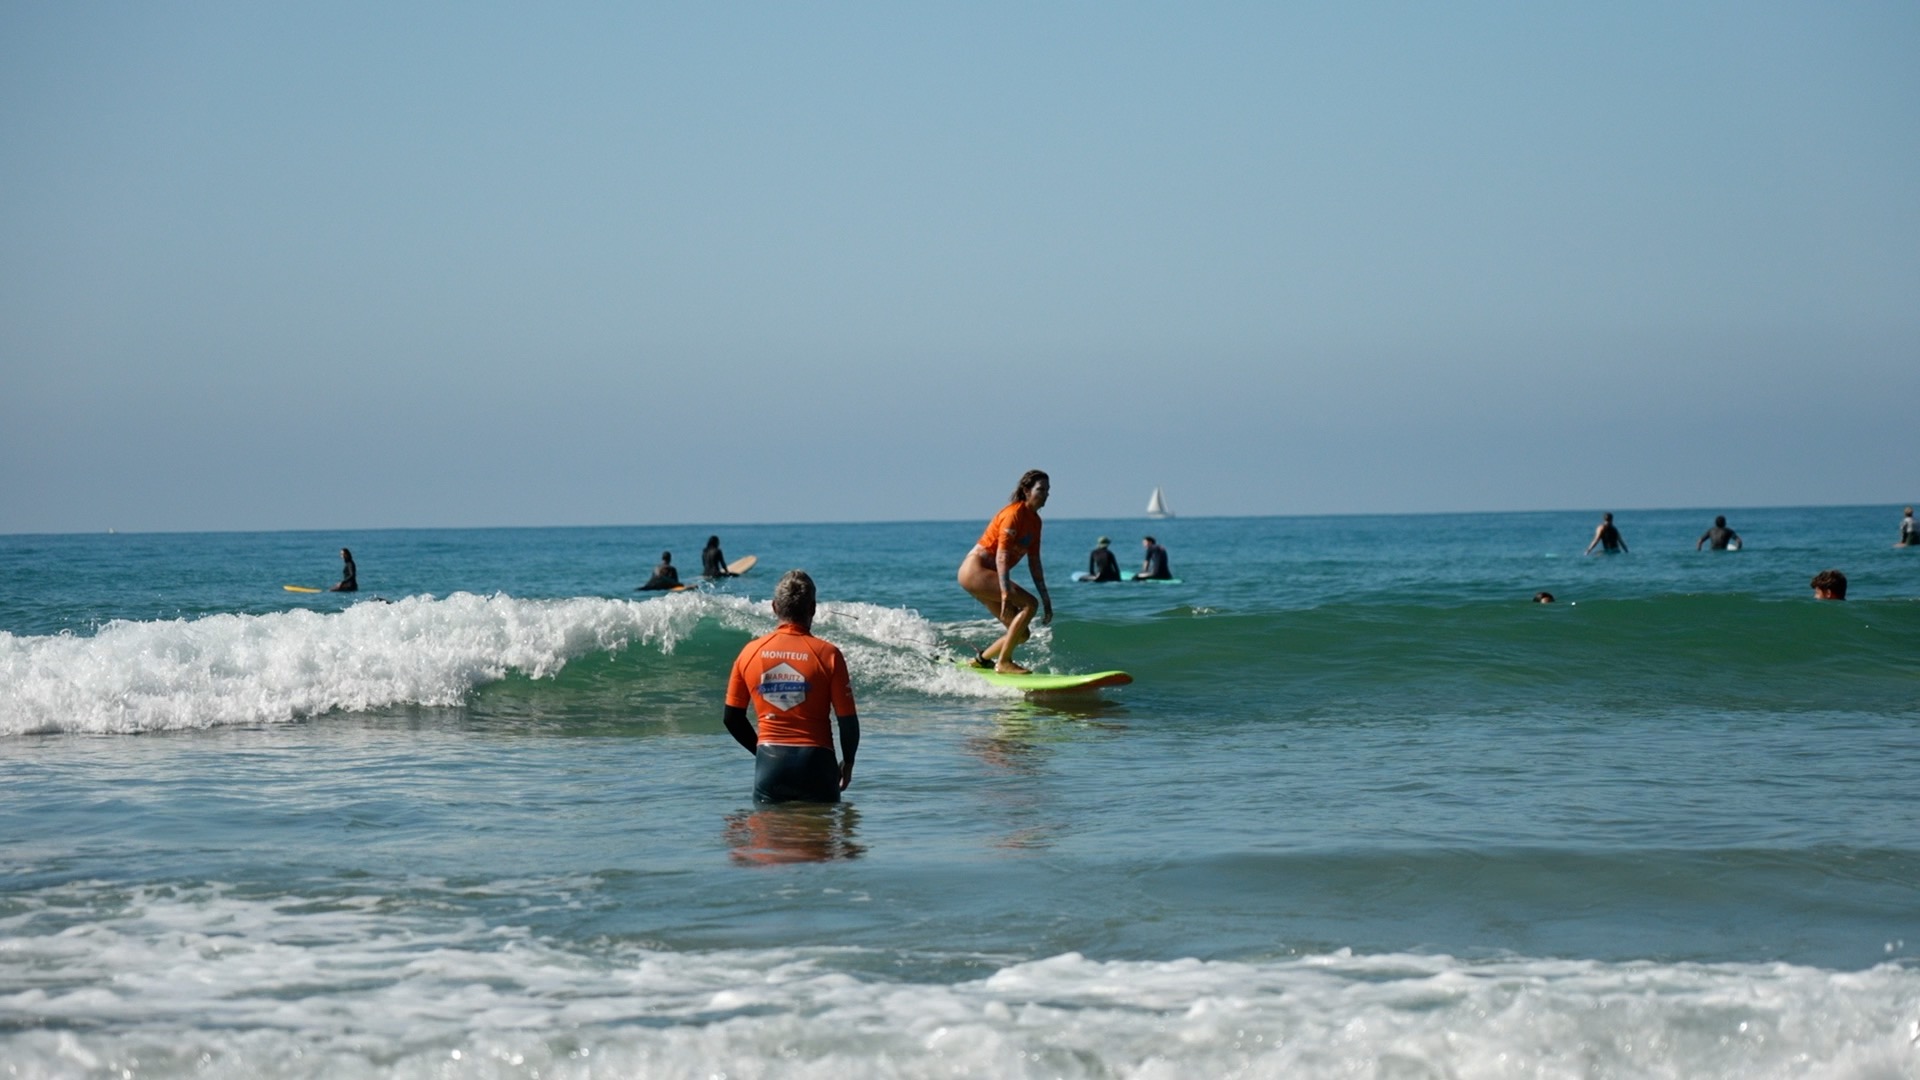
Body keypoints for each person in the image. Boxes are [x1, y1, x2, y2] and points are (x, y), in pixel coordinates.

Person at [723, 570, 859, 803]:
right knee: (821, 836)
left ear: (775, 607)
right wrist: (848, 763)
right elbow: (848, 723)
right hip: (817, 764)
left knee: (771, 836)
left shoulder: (750, 652)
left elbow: (732, 718)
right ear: (813, 609)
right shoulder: (828, 654)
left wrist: (762, 755)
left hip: (770, 765)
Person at [957, 469, 1052, 674]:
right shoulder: (1013, 514)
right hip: (975, 570)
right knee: (1029, 603)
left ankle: (981, 660)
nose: (1046, 495)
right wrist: (1005, 592)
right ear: (1026, 491)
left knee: (1021, 634)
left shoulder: (1035, 522)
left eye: (1048, 490)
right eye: (1041, 489)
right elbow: (1002, 555)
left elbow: (1034, 563)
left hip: (988, 577)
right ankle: (1004, 662)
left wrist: (1046, 598)